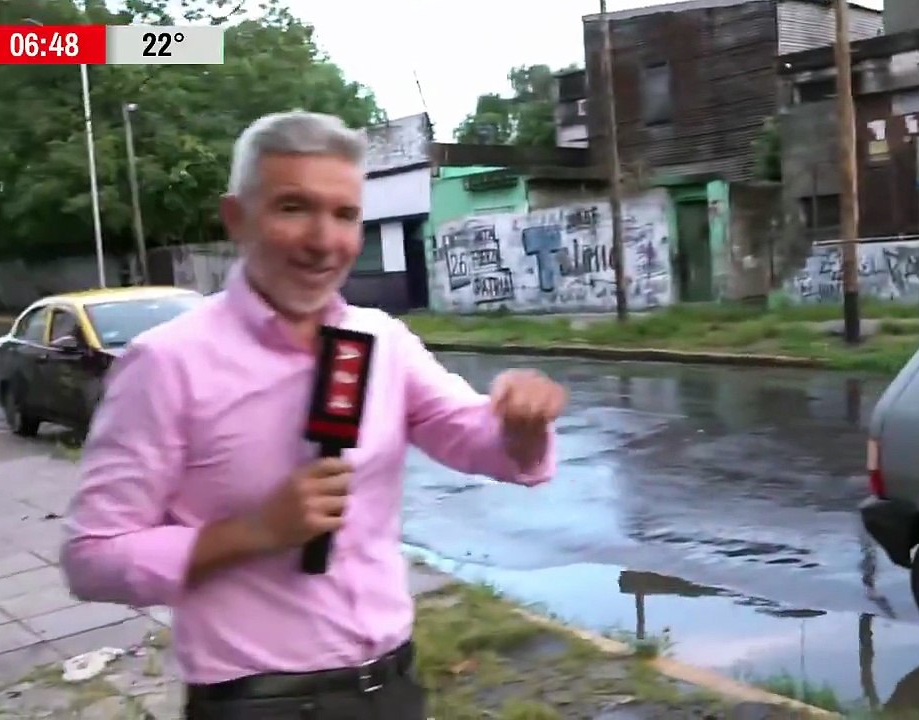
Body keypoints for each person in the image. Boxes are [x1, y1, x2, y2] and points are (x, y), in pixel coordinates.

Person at [59, 110, 566, 720]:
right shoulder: (168, 363)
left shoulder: (377, 340)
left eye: (345, 214)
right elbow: (91, 558)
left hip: (392, 687)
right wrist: (253, 533)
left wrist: (519, 423)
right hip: (258, 703)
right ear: (236, 218)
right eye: (293, 207)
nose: (325, 240)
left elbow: (476, 439)